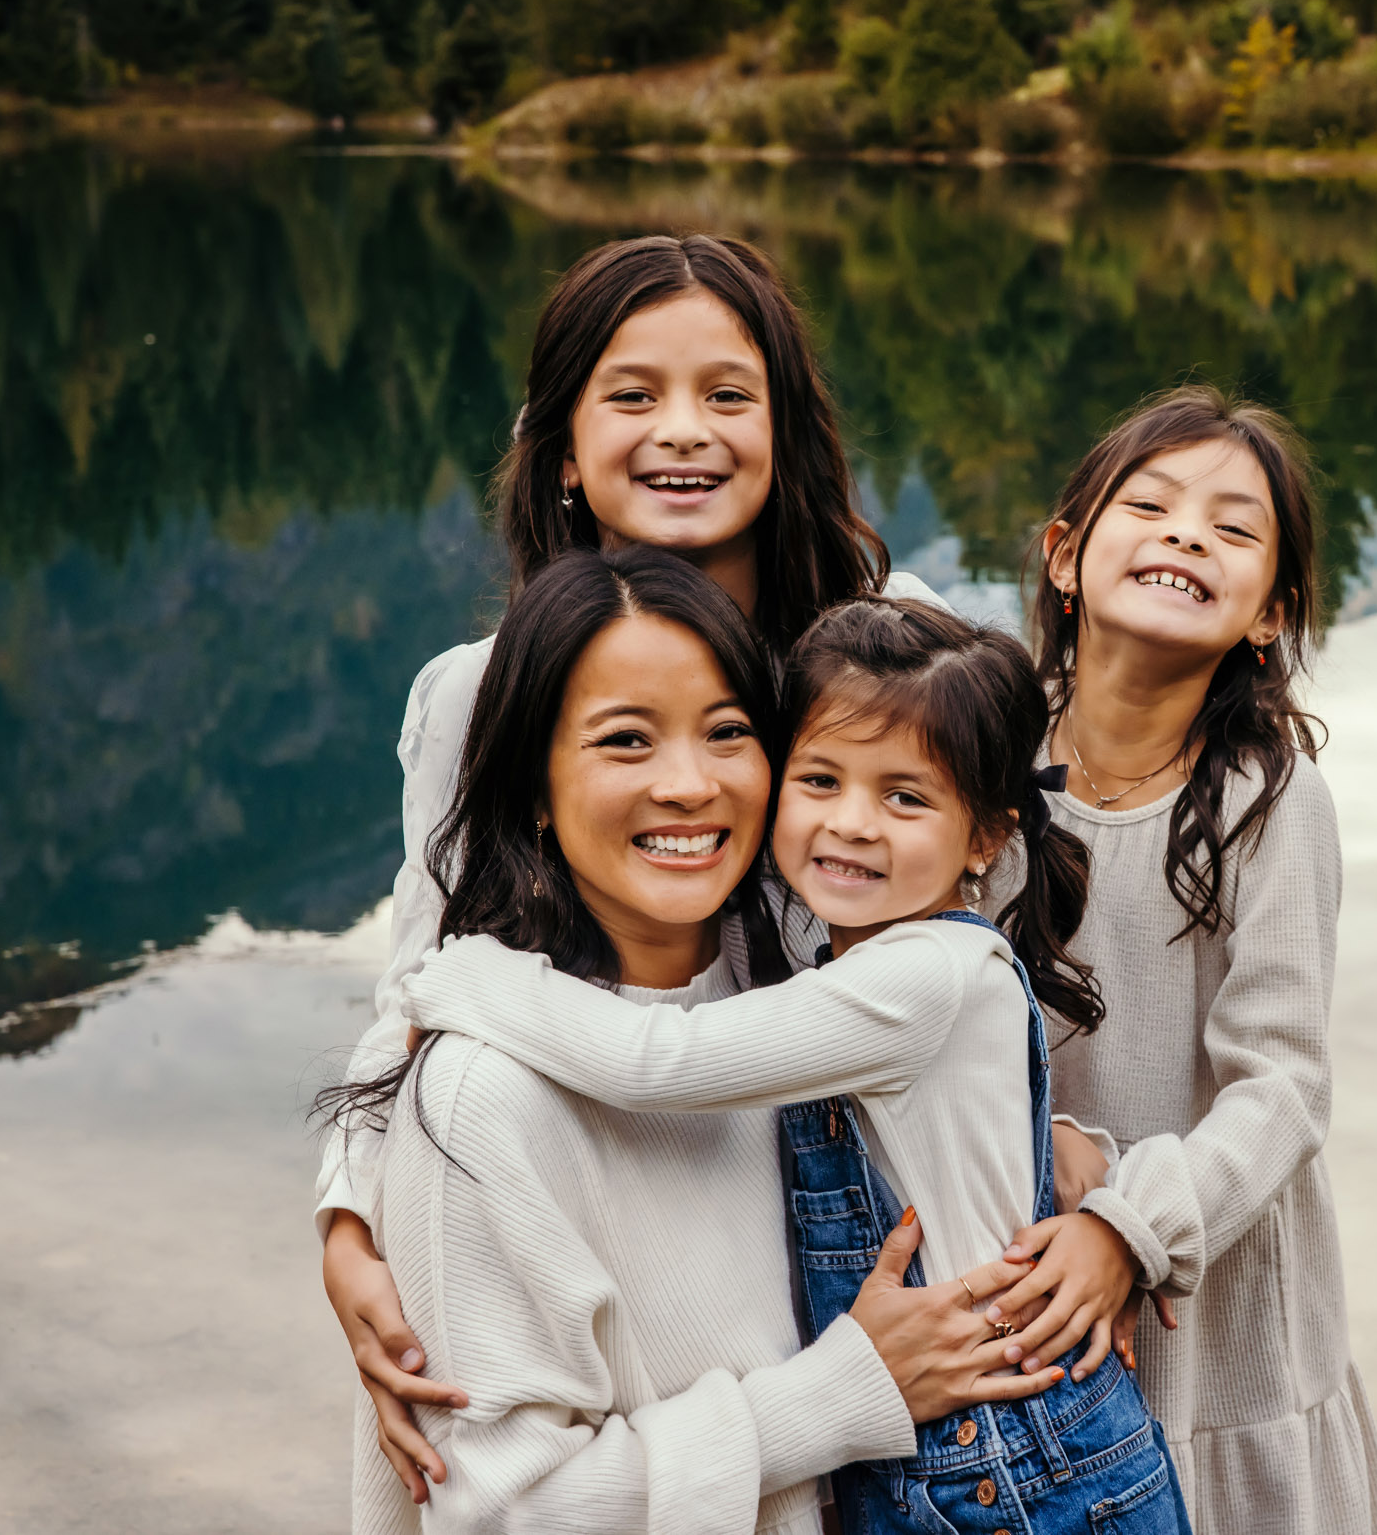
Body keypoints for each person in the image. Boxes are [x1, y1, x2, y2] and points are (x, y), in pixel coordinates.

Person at [318, 233, 956, 1502]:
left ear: (788, 432)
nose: (685, 431)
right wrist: (346, 1220)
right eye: (632, 393)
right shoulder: (477, 693)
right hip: (588, 1214)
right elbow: (423, 982)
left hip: (841, 1236)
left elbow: (988, 944)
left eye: (728, 394)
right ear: (560, 444)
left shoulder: (894, 662)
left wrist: (1069, 1149)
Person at [393, 594, 1190, 1534]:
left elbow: (660, 1060)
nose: (852, 823)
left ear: (985, 837)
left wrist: (459, 979)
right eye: (820, 780)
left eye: (905, 796)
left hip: (1012, 1461)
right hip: (947, 1460)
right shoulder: (829, 973)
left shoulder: (919, 974)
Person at [1009, 387, 1377, 1532]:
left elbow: (1281, 1086)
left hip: (1212, 1284)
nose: (1187, 533)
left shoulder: (1265, 801)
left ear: (1268, 615)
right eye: (1151, 505)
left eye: (1233, 528)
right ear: (1065, 554)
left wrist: (1128, 1230)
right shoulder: (982, 757)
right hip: (1032, 1250)